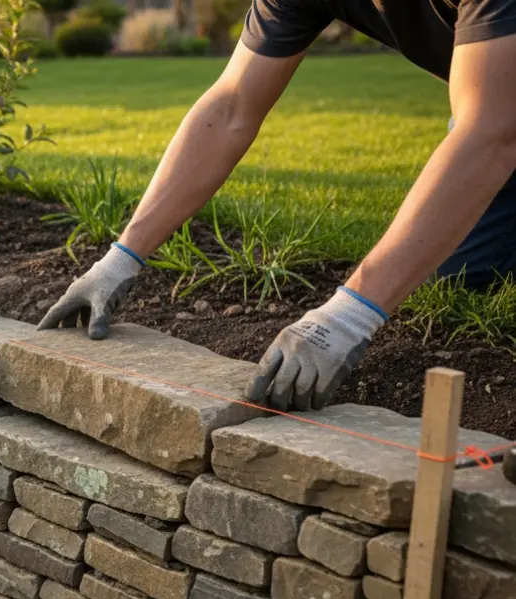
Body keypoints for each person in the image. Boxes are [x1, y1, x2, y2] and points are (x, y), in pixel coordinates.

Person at [37, 0, 516, 412]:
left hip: (499, 116)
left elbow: (489, 132)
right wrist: (120, 259)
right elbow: (230, 107)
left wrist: (348, 315)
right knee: (463, 272)